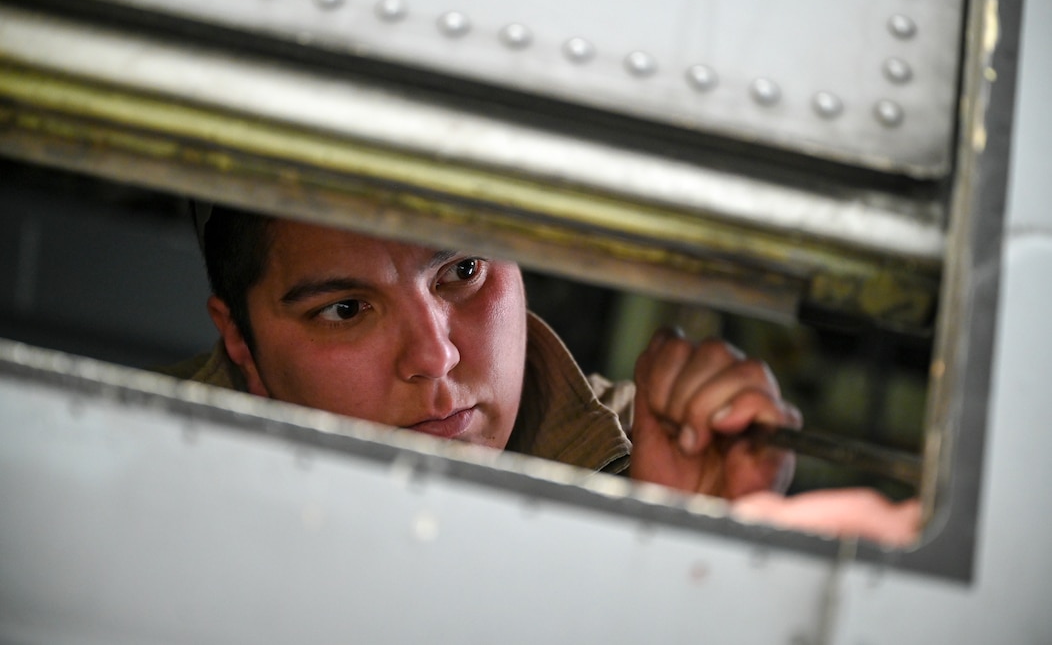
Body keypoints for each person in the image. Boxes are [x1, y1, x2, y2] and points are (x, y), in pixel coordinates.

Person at [170, 203, 918, 545]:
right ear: (238, 338)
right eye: (343, 310)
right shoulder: (137, 481)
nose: (434, 357)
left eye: (463, 269)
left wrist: (679, 558)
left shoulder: (655, 454)